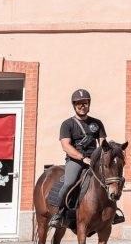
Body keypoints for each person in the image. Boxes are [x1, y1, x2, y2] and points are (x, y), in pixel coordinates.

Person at [48, 89, 123, 228]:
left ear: (89, 104)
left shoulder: (97, 123)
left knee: (109, 180)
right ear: (74, 105)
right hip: (76, 160)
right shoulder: (67, 124)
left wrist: (107, 155)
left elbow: (102, 144)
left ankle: (113, 213)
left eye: (85, 103)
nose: (82, 106)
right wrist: (82, 158)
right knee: (69, 183)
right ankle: (59, 214)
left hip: (95, 161)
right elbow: (66, 146)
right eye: (79, 104)